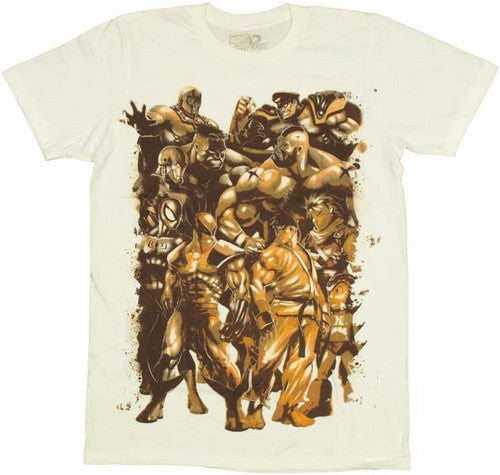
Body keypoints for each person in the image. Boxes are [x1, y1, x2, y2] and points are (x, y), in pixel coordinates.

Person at [136, 213, 251, 432]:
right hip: (183, 309)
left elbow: (241, 287)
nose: (208, 232)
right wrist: (167, 296)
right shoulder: (178, 255)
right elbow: (169, 284)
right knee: (169, 354)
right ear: (196, 227)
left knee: (220, 359)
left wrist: (238, 315)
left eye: (210, 228)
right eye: (203, 228)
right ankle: (157, 403)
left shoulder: (224, 251)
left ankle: (234, 409)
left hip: (210, 310)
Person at [247, 214, 329, 428]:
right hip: (282, 313)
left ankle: (287, 410)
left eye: (284, 228)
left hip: (309, 314)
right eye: (277, 228)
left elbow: (315, 285)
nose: (280, 233)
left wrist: (324, 311)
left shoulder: (304, 253)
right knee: (267, 362)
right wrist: (263, 313)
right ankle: (255, 409)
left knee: (302, 362)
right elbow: (256, 283)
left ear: (294, 230)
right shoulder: (271, 254)